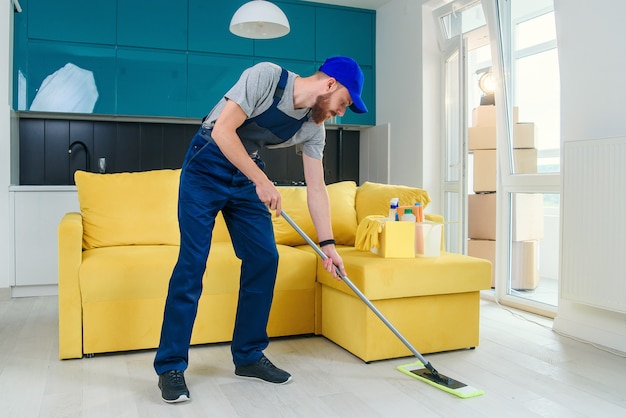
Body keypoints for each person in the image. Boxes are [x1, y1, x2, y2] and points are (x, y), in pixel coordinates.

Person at [154, 56, 368, 403]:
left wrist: (328, 245)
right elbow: (224, 130)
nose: (340, 112)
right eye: (343, 103)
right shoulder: (267, 77)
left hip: (245, 176)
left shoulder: (314, 127)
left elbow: (317, 188)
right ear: (329, 85)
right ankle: (170, 366)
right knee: (192, 264)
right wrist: (263, 181)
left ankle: (249, 355)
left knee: (265, 258)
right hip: (205, 166)